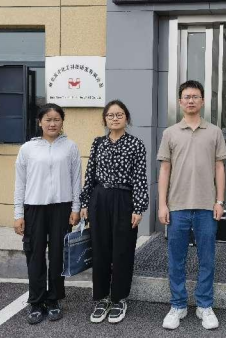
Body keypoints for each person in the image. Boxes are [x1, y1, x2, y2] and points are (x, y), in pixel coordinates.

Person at [157, 80, 226, 331]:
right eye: (186, 97)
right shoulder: (170, 133)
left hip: (206, 206)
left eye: (195, 96)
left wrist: (220, 201)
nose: (190, 100)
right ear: (180, 102)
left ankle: (204, 305)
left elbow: (220, 168)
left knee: (207, 258)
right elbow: (164, 170)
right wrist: (162, 204)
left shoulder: (214, 132)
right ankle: (178, 305)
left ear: (202, 101)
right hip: (177, 206)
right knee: (176, 259)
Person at [80, 100, 149, 324]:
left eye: (119, 115)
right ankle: (102, 297)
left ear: (126, 118)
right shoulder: (98, 143)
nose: (115, 118)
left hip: (124, 199)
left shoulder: (136, 144)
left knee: (123, 250)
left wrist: (138, 207)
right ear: (105, 119)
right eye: (110, 115)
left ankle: (119, 298)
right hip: (99, 199)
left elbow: (140, 178)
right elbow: (90, 175)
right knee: (100, 249)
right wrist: (84, 203)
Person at [14, 103, 82, 325]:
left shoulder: (70, 147)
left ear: (62, 122)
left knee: (58, 255)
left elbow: (76, 180)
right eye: (48, 119)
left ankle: (53, 299)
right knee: (34, 254)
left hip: (62, 207)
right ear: (40, 122)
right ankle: (36, 301)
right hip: (34, 207)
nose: (52, 124)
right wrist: (18, 213)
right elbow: (20, 184)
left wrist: (75, 208)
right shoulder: (28, 149)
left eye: (56, 119)